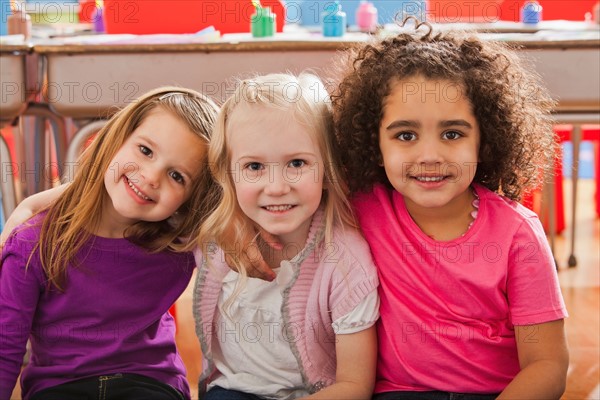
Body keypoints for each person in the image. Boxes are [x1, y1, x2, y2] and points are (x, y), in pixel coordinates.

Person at [331, 20, 569, 399]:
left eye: (453, 134)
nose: (429, 156)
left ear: (485, 139)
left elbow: (548, 365)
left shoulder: (517, 234)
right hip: (397, 393)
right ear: (374, 143)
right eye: (405, 135)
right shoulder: (360, 208)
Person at [0, 87, 219, 400]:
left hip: (150, 384)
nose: (152, 176)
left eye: (177, 175)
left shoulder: (180, 245)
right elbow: (5, 350)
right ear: (116, 140)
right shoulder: (31, 244)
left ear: (191, 200)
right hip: (60, 387)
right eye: (145, 151)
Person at [194, 72, 380, 399]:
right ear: (229, 173)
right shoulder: (215, 238)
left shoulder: (345, 262)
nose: (277, 187)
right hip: (231, 391)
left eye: (296, 163)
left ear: (327, 170)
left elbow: (355, 385)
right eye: (254, 167)